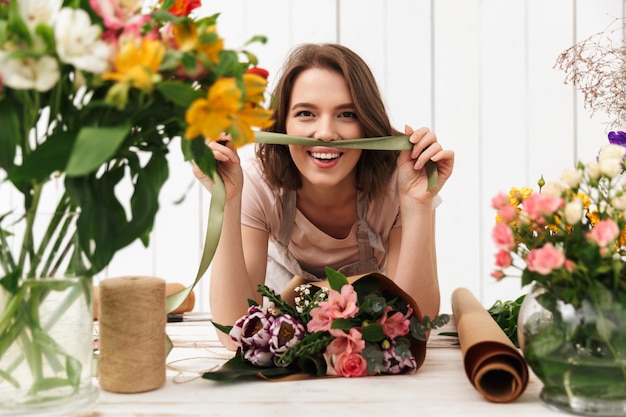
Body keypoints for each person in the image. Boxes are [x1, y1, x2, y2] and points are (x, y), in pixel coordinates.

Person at [193, 43, 455, 349]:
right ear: (282, 124)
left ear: (368, 125)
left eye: (346, 114)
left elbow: (416, 329)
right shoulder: (256, 181)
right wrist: (227, 199)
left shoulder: (400, 182)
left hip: (371, 304)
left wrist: (417, 203)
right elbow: (233, 334)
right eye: (306, 113)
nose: (326, 133)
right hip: (285, 298)